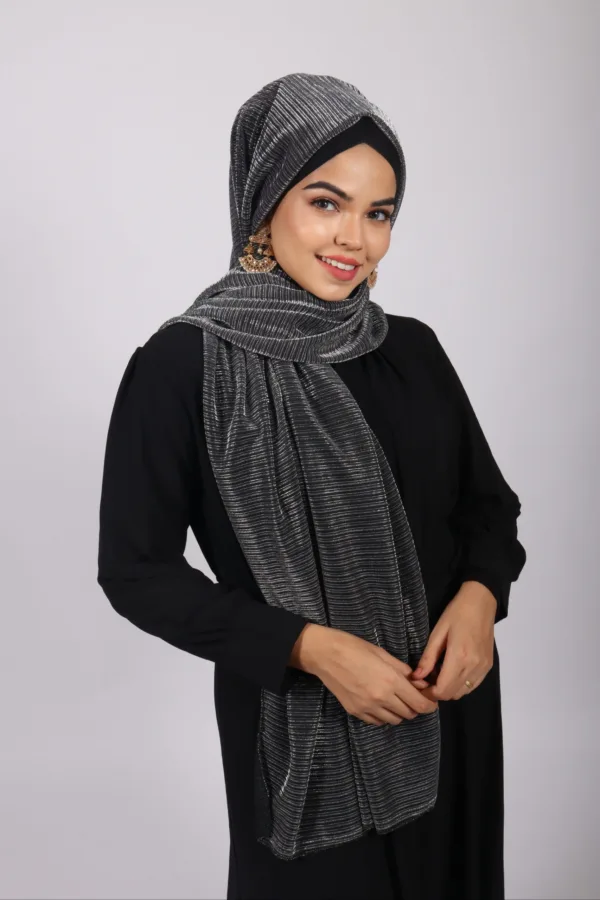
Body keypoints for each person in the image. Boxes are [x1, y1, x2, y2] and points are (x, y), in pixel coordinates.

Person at [97, 73, 526, 900]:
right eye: (326, 203)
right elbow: (136, 572)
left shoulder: (413, 350)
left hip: (449, 707)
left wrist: (480, 602)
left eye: (379, 213)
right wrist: (313, 649)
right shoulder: (182, 366)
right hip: (302, 722)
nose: (355, 239)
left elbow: (487, 508)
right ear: (264, 204)